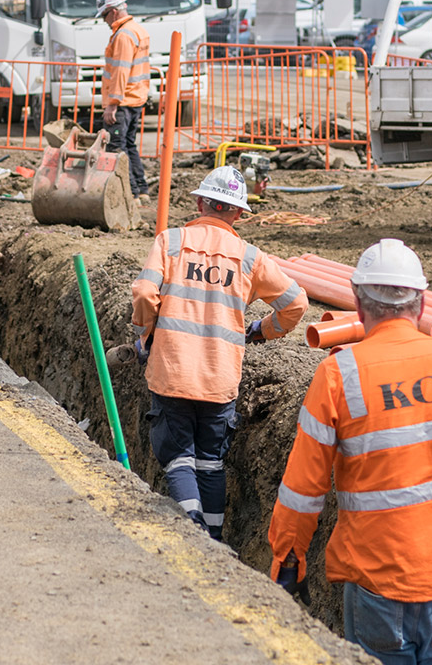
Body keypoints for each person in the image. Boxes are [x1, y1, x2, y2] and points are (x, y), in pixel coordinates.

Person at [267, 239, 432, 665]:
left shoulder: (340, 373)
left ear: (357, 301)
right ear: (422, 303)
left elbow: (303, 487)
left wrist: (288, 554)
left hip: (380, 578)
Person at [130, 166, 308, 539]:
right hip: (220, 377)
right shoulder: (249, 257)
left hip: (172, 369)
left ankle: (192, 530)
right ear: (238, 213)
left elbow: (145, 294)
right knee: (210, 462)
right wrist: (261, 330)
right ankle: (213, 540)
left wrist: (144, 333)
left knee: (178, 457)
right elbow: (296, 305)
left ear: (198, 201)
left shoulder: (171, 241)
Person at [96, 0, 151, 197]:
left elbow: (120, 71)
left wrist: (112, 103)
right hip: (135, 99)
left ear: (113, 12)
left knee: (117, 149)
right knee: (129, 145)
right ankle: (141, 190)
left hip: (123, 101)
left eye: (104, 15)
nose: (104, 21)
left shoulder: (123, 35)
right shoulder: (138, 30)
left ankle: (131, 193)